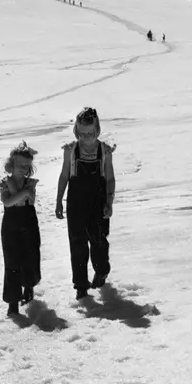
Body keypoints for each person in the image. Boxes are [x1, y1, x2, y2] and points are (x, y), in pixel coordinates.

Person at [55, 107, 115, 299]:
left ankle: (101, 269)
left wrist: (109, 201)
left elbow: (111, 178)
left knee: (98, 241)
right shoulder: (71, 150)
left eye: (89, 133)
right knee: (77, 243)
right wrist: (59, 201)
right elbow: (64, 175)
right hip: (76, 201)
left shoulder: (104, 151)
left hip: (98, 201)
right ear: (76, 130)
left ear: (97, 130)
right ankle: (80, 285)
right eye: (81, 133)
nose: (85, 137)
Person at [0, 141, 42, 316]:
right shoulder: (5, 183)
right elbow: (7, 202)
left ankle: (29, 286)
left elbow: (28, 199)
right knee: (12, 261)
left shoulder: (30, 183)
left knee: (30, 256)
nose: (23, 169)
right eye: (20, 165)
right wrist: (20, 194)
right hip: (10, 223)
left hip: (28, 220)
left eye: (26, 166)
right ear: (11, 165)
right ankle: (12, 301)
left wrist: (18, 192)